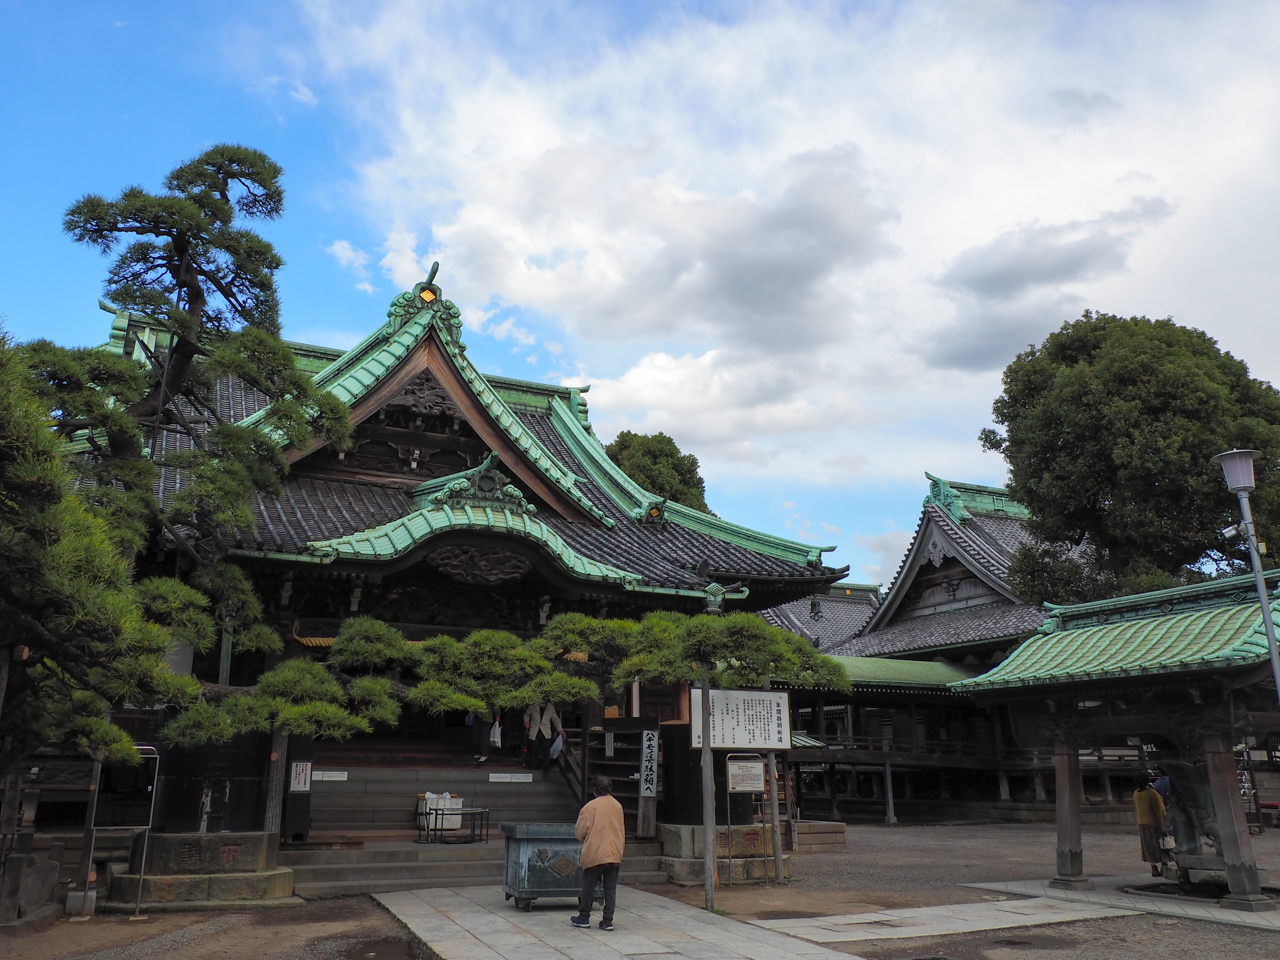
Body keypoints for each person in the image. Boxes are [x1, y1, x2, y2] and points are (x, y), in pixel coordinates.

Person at [571, 776, 625, 932]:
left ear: (594, 790)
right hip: (614, 850)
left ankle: (583, 917)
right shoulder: (617, 806)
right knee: (610, 888)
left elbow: (580, 831)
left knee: (589, 885)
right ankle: (608, 920)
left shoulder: (590, 807)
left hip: (595, 850)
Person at [1133, 778, 1168, 877]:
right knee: (1161, 844)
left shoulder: (1136, 793)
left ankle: (1153, 867)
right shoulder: (1152, 794)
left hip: (1142, 823)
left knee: (1148, 845)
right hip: (1154, 823)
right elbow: (1159, 810)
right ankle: (1164, 865)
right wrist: (1163, 823)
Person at [523, 701, 563, 773]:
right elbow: (526, 714)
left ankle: (546, 768)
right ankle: (534, 767)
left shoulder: (550, 707)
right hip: (534, 730)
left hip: (546, 731)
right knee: (534, 749)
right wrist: (526, 722)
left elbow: (555, 719)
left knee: (546, 750)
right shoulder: (532, 705)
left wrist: (560, 730)